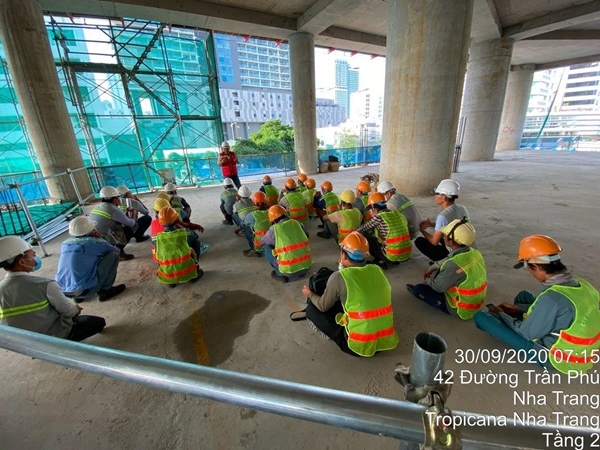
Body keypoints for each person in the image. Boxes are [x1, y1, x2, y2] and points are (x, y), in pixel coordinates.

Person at [474, 235, 600, 373]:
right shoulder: (583, 284)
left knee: (481, 317)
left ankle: (521, 326)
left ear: (537, 267)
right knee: (524, 296)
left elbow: (526, 333)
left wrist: (502, 315)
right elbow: (564, 310)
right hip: (583, 350)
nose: (530, 273)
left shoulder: (552, 298)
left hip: (558, 358)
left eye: (529, 268)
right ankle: (529, 319)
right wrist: (517, 308)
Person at [301, 232, 399, 357]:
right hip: (385, 340)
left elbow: (322, 306)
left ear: (343, 254)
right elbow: (353, 278)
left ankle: (337, 336)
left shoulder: (338, 277)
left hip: (358, 345)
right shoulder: (377, 269)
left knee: (311, 310)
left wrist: (309, 294)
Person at [0, 236, 106, 341]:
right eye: (32, 254)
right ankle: (66, 343)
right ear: (22, 262)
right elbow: (69, 312)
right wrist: (76, 309)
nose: (35, 257)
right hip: (53, 338)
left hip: (24, 343)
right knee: (98, 322)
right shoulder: (45, 285)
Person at [406, 219, 486, 319]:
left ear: (451, 241)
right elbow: (450, 258)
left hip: (461, 309)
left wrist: (427, 280)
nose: (443, 236)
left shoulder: (453, 265)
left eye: (445, 235)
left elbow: (438, 287)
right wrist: (433, 267)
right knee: (442, 273)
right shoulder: (474, 252)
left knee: (419, 289)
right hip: (476, 303)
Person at [56, 216, 126, 303]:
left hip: (63, 290)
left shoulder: (65, 243)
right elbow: (116, 250)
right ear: (92, 230)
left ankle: (77, 297)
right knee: (113, 256)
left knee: (82, 263)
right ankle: (105, 290)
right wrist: (100, 238)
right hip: (86, 290)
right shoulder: (95, 242)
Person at [415, 179, 469, 262]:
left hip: (454, 252)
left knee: (419, 241)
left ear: (444, 197)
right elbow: (452, 225)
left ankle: (444, 261)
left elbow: (434, 242)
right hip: (465, 246)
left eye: (437, 194)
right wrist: (433, 224)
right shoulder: (462, 208)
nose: (435, 196)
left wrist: (422, 230)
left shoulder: (443, 216)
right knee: (441, 233)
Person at [356, 192, 411, 270]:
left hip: (391, 255)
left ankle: (380, 261)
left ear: (374, 208)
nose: (369, 212)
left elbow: (362, 229)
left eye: (370, 210)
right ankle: (395, 260)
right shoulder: (397, 213)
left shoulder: (379, 217)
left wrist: (352, 234)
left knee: (365, 235)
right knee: (383, 238)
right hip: (406, 254)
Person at [261, 205, 311, 283]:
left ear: (273, 220)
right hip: (306, 266)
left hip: (288, 271)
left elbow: (263, 241)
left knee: (265, 246)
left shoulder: (274, 229)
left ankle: (279, 273)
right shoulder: (297, 223)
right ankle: (301, 271)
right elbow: (307, 236)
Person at [155, 206, 202, 286]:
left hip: (167, 274)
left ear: (160, 222)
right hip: (187, 271)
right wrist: (182, 228)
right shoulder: (185, 233)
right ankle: (194, 271)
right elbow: (195, 236)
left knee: (159, 251)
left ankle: (171, 280)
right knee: (196, 242)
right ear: (177, 219)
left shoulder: (156, 238)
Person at [89, 186, 136, 261]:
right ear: (114, 200)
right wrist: (133, 214)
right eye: (118, 197)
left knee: (118, 226)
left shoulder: (98, 207)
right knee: (128, 229)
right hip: (101, 239)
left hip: (91, 239)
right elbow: (130, 223)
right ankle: (118, 253)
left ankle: (112, 250)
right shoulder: (114, 209)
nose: (119, 199)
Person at [242, 191, 270, 257]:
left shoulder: (252, 215)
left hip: (260, 244)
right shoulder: (272, 212)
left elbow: (245, 222)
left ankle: (254, 249)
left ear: (254, 203)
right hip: (273, 241)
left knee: (245, 226)